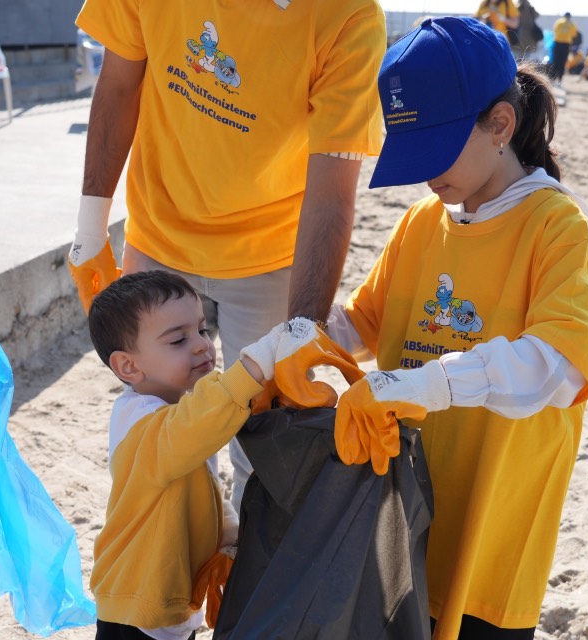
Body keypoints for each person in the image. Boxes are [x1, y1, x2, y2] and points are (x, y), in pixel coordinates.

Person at [325, 17, 588, 640]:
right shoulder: (424, 221)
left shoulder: (556, 227)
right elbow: (365, 323)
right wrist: (305, 334)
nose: (426, 175)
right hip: (406, 509)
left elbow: (557, 365)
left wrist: (430, 384)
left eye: (436, 151)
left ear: (500, 125)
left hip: (495, 520)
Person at [68, 0, 385, 509]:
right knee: (161, 437)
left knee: (263, 445)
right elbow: (119, 84)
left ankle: (246, 576)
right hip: (158, 234)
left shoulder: (348, 16)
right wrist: (90, 231)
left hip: (270, 255)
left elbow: (332, 190)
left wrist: (300, 331)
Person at [86, 271, 290, 640]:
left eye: (202, 329)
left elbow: (204, 489)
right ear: (129, 366)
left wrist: (230, 536)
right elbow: (200, 421)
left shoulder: (174, 409)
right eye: (178, 339)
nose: (201, 345)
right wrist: (257, 363)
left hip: (171, 602)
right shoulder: (142, 422)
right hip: (136, 606)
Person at [549, 12, 577, 83]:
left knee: (555, 62)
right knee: (562, 63)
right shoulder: (572, 24)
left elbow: (554, 31)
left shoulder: (558, 22)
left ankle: (552, 79)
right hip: (566, 45)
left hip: (557, 43)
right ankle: (560, 80)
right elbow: (574, 35)